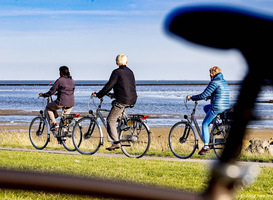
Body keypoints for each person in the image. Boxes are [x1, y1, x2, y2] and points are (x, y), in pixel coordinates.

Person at [91, 54, 137, 151]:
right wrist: (114, 95)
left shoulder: (117, 72)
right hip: (132, 99)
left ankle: (116, 142)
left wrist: (99, 94)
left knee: (110, 120)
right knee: (114, 104)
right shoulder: (130, 72)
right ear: (126, 62)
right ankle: (121, 122)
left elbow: (109, 86)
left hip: (123, 100)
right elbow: (126, 87)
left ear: (117, 62)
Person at [187, 66, 230, 155]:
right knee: (206, 108)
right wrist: (211, 96)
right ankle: (214, 127)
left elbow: (202, 95)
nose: (209, 75)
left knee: (205, 124)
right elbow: (220, 93)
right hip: (224, 107)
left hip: (217, 107)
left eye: (210, 73)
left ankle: (206, 146)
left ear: (212, 74)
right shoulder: (223, 81)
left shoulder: (214, 82)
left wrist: (192, 97)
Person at [39, 66, 75, 130]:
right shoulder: (72, 80)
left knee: (48, 107)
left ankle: (54, 124)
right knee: (64, 121)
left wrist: (44, 95)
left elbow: (51, 91)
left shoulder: (60, 80)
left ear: (61, 72)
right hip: (71, 103)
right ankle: (63, 138)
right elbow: (69, 90)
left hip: (61, 102)